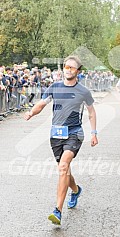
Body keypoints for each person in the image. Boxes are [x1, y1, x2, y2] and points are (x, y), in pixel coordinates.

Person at [24, 55, 98, 225]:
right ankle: (76, 190)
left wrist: (94, 132)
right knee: (64, 170)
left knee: (63, 166)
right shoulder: (54, 87)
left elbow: (92, 112)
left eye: (72, 67)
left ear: (78, 71)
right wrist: (31, 113)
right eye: (66, 66)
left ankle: (57, 210)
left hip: (74, 133)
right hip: (56, 135)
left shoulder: (83, 91)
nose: (68, 69)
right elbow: (41, 104)